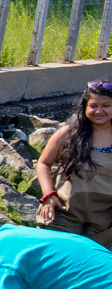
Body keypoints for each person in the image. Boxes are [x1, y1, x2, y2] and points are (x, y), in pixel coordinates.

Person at [35, 84, 112, 247]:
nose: (99, 111)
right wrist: (48, 196)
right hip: (64, 214)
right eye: (93, 106)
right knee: (54, 259)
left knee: (97, 267)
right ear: (84, 107)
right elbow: (43, 163)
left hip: (105, 222)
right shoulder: (68, 133)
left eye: (106, 106)